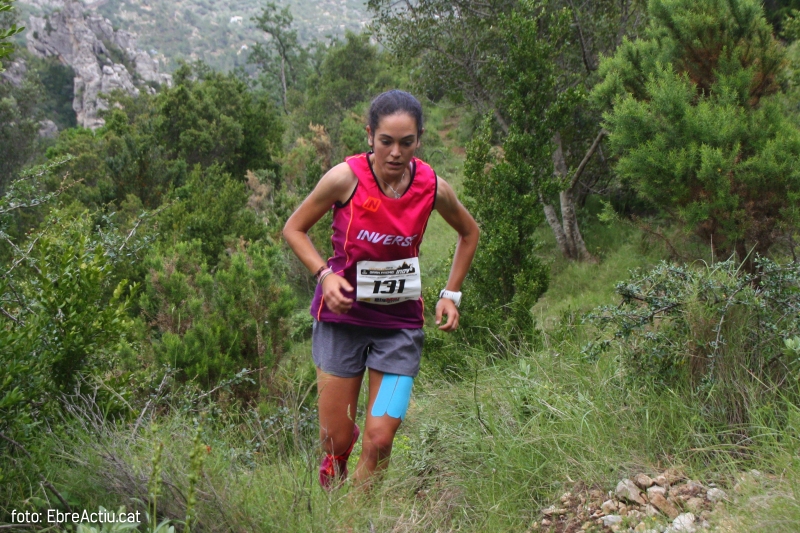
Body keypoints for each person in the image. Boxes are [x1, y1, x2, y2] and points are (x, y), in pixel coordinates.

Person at [282, 89, 479, 490]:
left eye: (406, 142)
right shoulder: (345, 178)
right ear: (369, 135)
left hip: (400, 330)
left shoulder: (431, 187)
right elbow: (294, 228)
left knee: (380, 439)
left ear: (419, 139)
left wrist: (450, 294)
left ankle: (354, 521)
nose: (395, 152)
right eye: (386, 141)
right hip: (342, 321)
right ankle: (335, 466)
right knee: (335, 439)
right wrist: (324, 275)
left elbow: (469, 233)